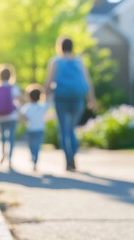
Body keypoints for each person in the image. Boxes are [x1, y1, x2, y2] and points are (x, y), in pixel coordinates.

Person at [45, 36, 97, 171]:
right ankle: (73, 154)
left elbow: (49, 82)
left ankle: (68, 160)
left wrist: (45, 97)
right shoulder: (79, 61)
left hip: (61, 98)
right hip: (77, 99)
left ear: (60, 47)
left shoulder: (55, 61)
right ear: (72, 47)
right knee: (72, 129)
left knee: (63, 130)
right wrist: (91, 99)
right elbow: (88, 81)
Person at [0, 64, 21, 169]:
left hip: (0, 117)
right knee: (11, 137)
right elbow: (17, 101)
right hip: (12, 115)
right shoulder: (13, 88)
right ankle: (10, 158)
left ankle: (3, 155)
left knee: (3, 137)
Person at [21, 84, 50, 171]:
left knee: (31, 145)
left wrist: (26, 121)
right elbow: (49, 101)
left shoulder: (27, 107)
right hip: (40, 129)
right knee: (37, 145)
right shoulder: (42, 106)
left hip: (30, 129)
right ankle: (35, 159)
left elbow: (23, 117)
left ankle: (33, 156)